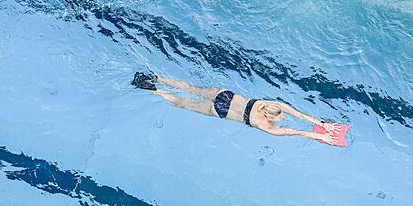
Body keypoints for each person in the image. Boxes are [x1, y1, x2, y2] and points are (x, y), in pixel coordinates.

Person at [132, 72, 340, 144]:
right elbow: (295, 131)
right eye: (279, 117)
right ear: (271, 117)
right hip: (221, 111)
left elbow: (298, 114)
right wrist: (319, 134)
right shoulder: (265, 126)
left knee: (190, 88)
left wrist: (321, 123)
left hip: (226, 95)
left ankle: (156, 77)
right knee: (181, 103)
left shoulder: (271, 105)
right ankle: (153, 89)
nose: (283, 117)